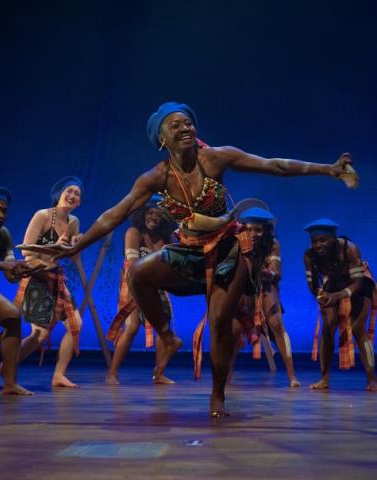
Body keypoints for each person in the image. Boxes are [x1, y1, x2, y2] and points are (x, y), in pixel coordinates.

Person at [45, 101, 356, 416]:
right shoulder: (156, 176)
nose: (185, 128)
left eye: (188, 123)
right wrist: (77, 245)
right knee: (138, 273)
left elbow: (273, 165)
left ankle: (217, 396)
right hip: (189, 250)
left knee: (220, 320)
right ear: (162, 139)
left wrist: (326, 169)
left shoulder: (215, 157)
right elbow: (116, 214)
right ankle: (168, 337)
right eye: (175, 125)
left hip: (227, 249)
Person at [0, 177, 83, 388]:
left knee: (75, 324)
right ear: (59, 194)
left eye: (77, 194)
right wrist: (46, 265)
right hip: (37, 278)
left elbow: (72, 256)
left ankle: (59, 375)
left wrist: (77, 245)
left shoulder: (74, 222)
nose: (73, 196)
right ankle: (0, 374)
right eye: (69, 191)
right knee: (38, 334)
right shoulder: (42, 215)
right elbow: (26, 251)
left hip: (56, 279)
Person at [106, 196, 176, 385]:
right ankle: (112, 373)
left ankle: (159, 373)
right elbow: (133, 265)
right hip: (134, 284)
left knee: (163, 329)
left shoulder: (167, 238)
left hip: (157, 285)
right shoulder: (134, 232)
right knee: (132, 327)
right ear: (143, 214)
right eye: (150, 213)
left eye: (159, 214)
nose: (154, 217)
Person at [303, 218, 377, 391]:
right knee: (328, 327)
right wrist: (321, 295)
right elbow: (313, 285)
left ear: (333, 239)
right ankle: (324, 378)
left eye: (323, 240)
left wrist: (337, 296)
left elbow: (358, 283)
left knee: (358, 328)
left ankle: (372, 378)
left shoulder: (349, 249)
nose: (318, 245)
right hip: (335, 283)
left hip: (359, 283)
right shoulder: (309, 255)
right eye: (314, 241)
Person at [231, 206, 300, 387]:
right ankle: (226, 376)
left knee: (276, 323)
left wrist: (261, 271)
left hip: (264, 286)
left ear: (266, 230)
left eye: (258, 230)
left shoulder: (272, 244)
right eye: (249, 229)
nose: (253, 234)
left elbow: (276, 274)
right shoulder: (236, 242)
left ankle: (292, 376)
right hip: (242, 289)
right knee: (234, 330)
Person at [0, 186, 33, 395]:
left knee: (12, 315)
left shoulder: (2, 235)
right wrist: (3, 266)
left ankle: (9, 383)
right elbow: (3, 266)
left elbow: (9, 271)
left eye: (4, 211)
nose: (1, 215)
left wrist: (17, 270)